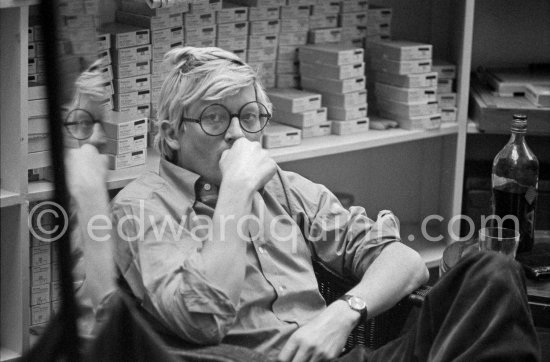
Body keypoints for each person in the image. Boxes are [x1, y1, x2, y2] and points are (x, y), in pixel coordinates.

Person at [111, 46, 541, 362]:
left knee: (492, 272)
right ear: (170, 134)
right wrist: (235, 193)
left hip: (337, 355)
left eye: (249, 116)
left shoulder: (282, 187)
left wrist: (342, 313)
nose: (238, 135)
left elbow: (405, 262)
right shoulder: (141, 208)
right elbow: (201, 321)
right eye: (214, 117)